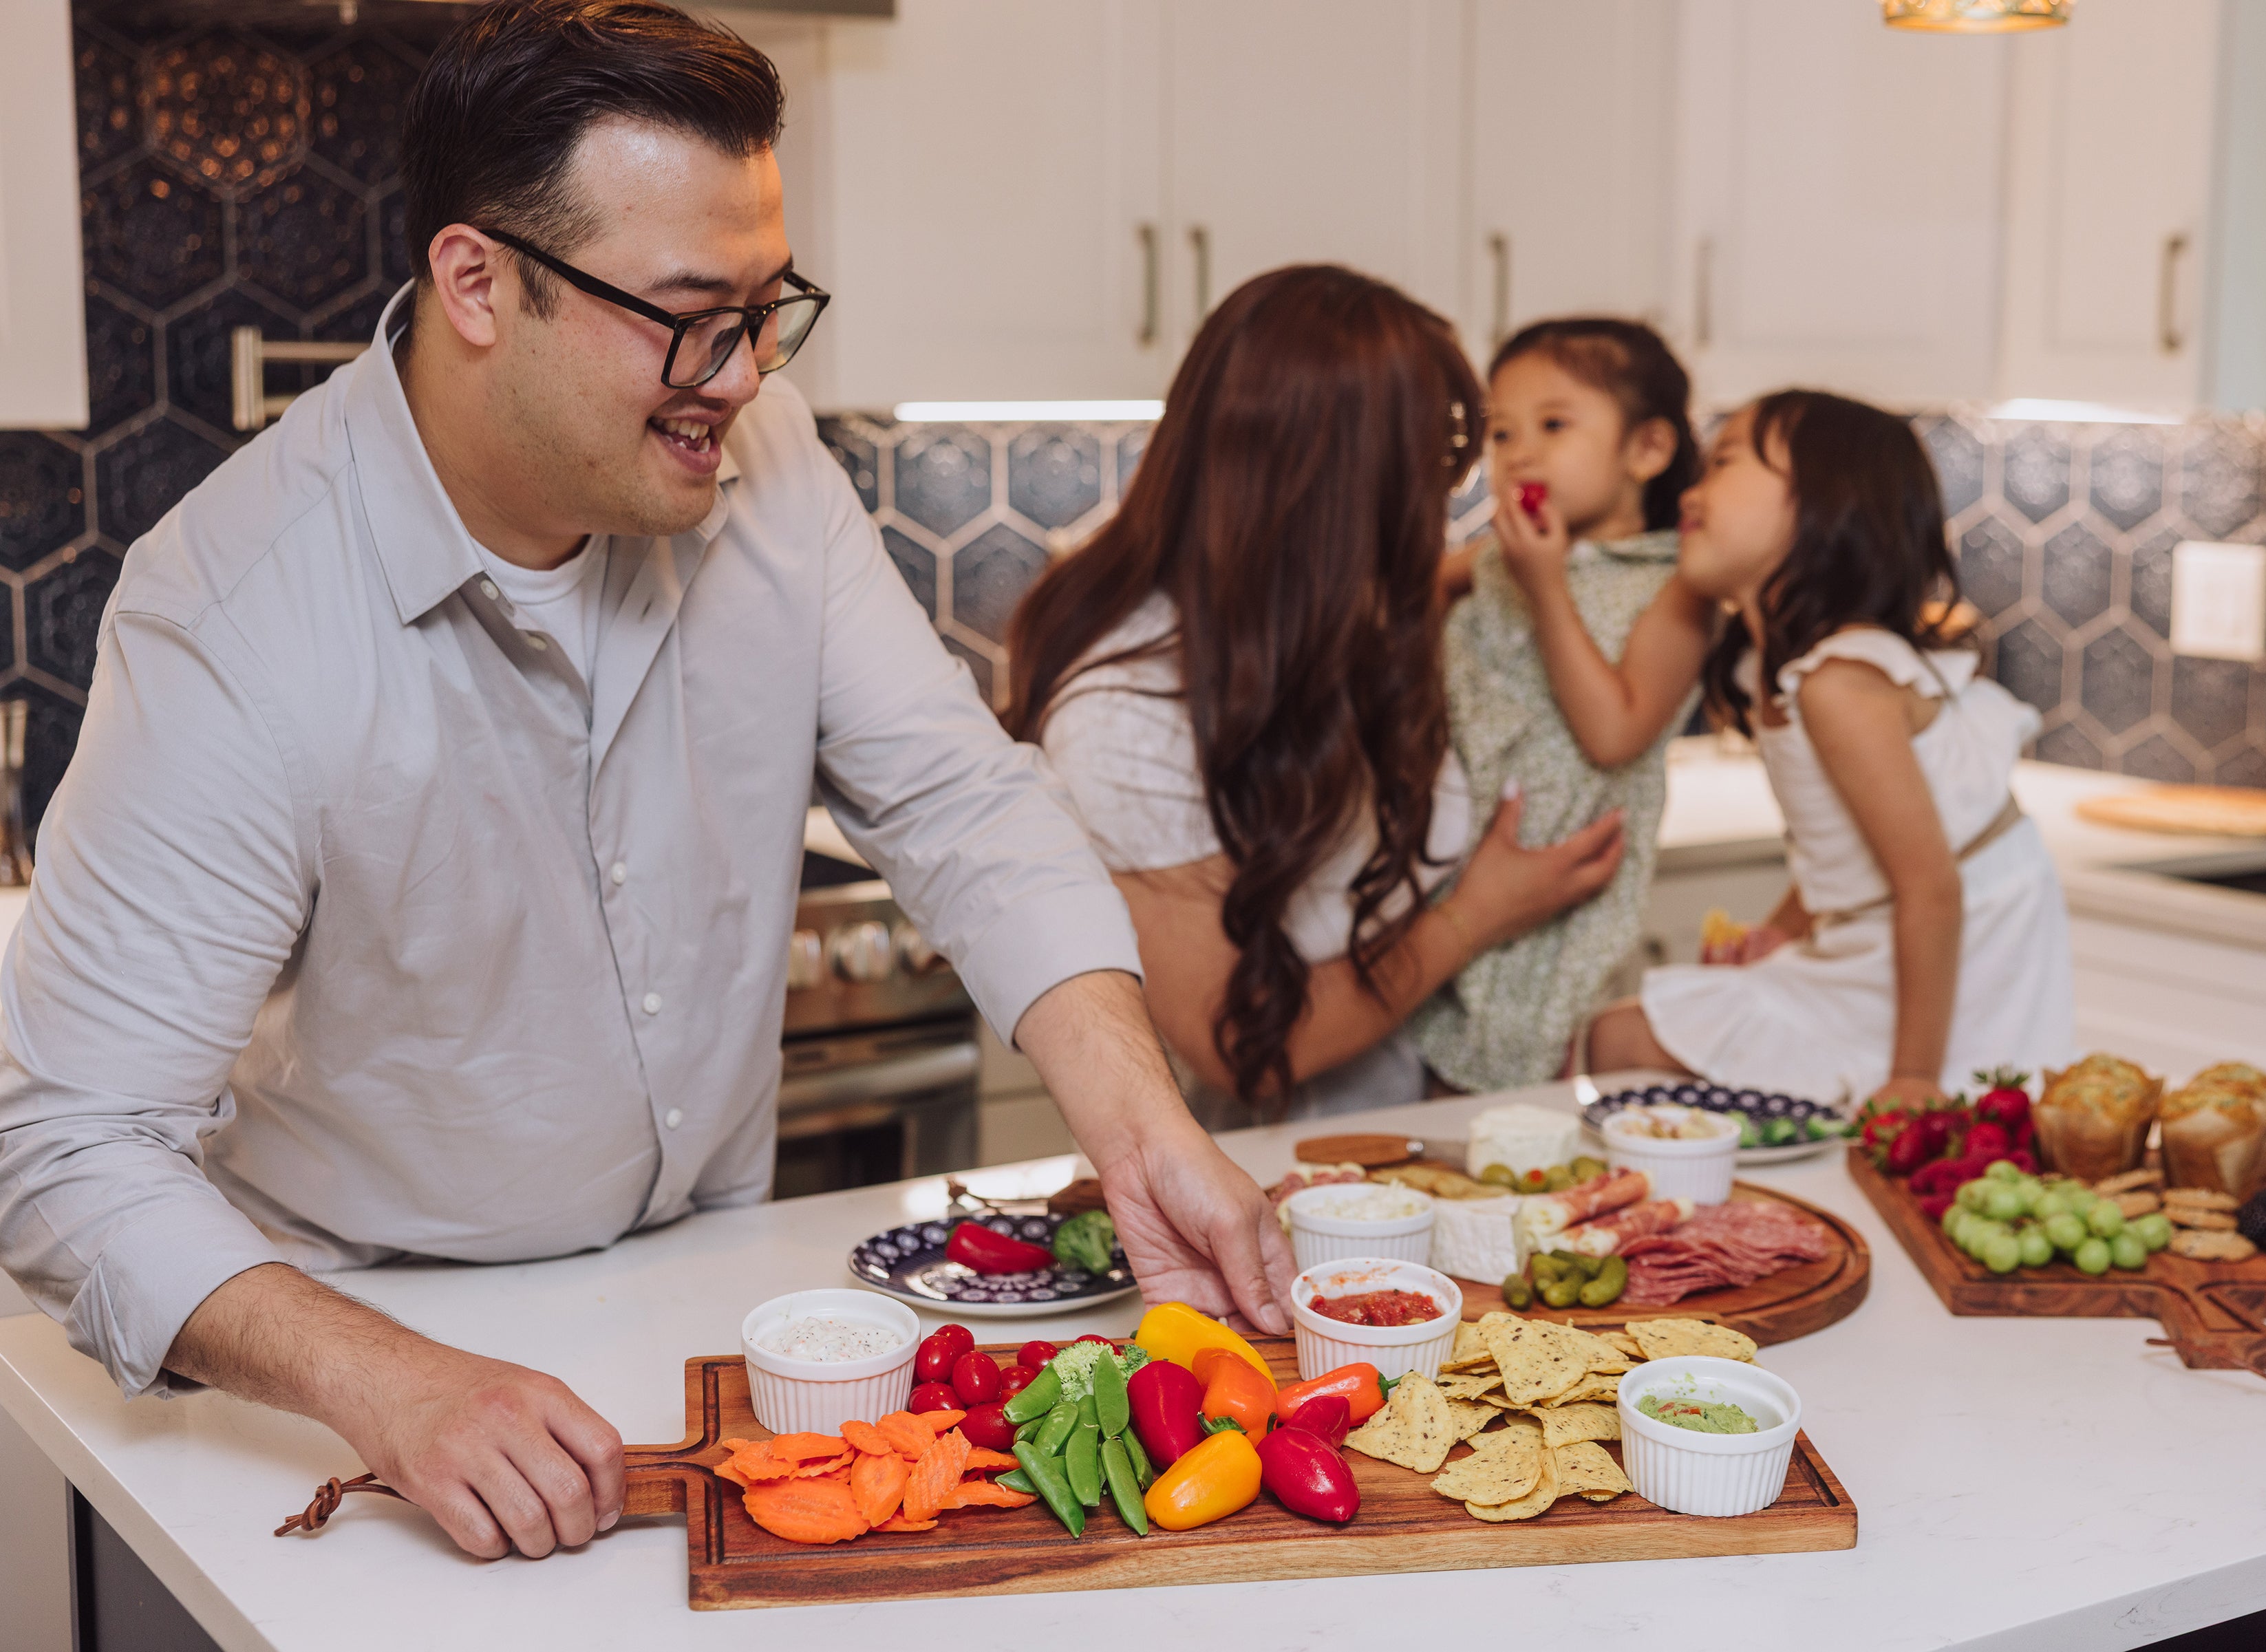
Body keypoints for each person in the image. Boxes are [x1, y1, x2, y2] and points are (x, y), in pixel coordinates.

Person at [0, 0, 1290, 1564]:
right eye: (691, 313)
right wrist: (380, 1378)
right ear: (478, 282)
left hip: (706, 1301)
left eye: (770, 306)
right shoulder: (239, 610)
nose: (744, 375)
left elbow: (958, 803)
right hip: (372, 1363)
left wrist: (1139, 1124)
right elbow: (65, 1149)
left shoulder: (770, 463)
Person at [1005, 266, 1627, 1126]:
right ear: (1334, 501)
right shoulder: (1125, 717)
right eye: (1415, 487)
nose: (1435, 517)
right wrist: (1479, 913)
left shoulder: (1328, 601)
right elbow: (1245, 1045)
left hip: (1437, 1117)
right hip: (1297, 1160)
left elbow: (1449, 578)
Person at [1586, 390, 2075, 1106]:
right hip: (1881, 941)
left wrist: (1912, 1078)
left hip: (1964, 953)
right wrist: (1780, 931)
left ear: (1821, 506)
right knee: (1617, 1039)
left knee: (1623, 1041)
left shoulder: (1840, 683)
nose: (1693, 490)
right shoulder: (1773, 670)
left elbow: (1930, 887)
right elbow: (1843, 849)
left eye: (1725, 462)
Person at [1412, 319, 1713, 1093]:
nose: (1521, 453)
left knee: (1514, 1088)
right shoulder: (1500, 555)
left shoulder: (1675, 587)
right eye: (1501, 431)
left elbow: (1614, 731)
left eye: (1553, 424)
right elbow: (1404, 596)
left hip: (1556, 886)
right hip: (1454, 864)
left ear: (1647, 449)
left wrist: (1545, 586)